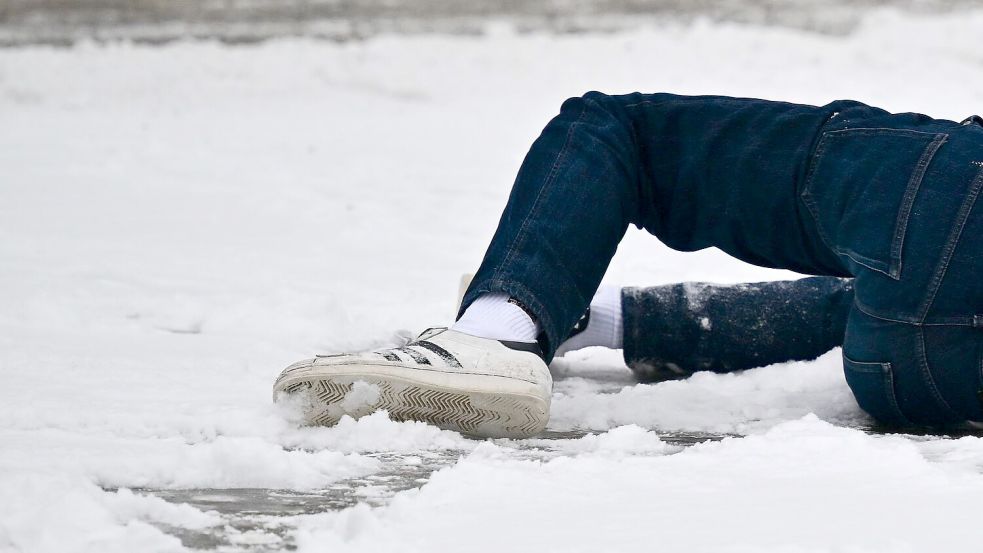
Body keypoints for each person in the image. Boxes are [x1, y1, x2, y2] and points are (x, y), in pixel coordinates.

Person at [273, 92, 983, 438]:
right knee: (869, 301)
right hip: (932, 383)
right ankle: (594, 315)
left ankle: (498, 334)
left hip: (951, 204)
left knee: (622, 132)